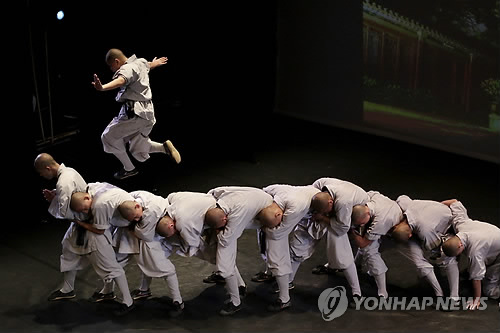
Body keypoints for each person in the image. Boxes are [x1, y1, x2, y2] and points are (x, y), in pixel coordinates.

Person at [92, 48, 181, 179]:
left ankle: (129, 169)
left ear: (117, 61)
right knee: (138, 151)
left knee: (107, 137)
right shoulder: (140, 62)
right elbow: (148, 65)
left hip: (135, 114)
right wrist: (155, 63)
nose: (112, 70)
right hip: (148, 115)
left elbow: (121, 80)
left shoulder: (126, 69)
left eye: (111, 66)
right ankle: (164, 148)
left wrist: (102, 87)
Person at [204, 186, 282, 316]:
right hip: (255, 200)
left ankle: (236, 302)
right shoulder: (220, 196)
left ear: (225, 219)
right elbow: (216, 190)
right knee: (221, 247)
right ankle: (240, 285)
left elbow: (227, 239)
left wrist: (219, 232)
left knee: (224, 259)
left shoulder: (236, 215)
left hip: (265, 210)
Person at [70, 182, 136, 316]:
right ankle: (108, 292)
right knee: (114, 263)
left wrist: (81, 222)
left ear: (87, 198)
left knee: (112, 267)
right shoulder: (93, 188)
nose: (85, 212)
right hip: (119, 224)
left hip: (128, 224)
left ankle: (128, 301)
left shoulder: (99, 205)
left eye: (84, 209)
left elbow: (99, 230)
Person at [34, 153, 93, 301]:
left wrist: (54, 201)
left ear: (48, 168)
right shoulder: (69, 172)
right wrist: (56, 196)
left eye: (41, 172)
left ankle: (111, 291)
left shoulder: (63, 181)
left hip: (86, 222)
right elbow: (72, 196)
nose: (41, 175)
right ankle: (68, 289)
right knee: (68, 248)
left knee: (103, 261)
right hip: (83, 221)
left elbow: (65, 212)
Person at [256, 184, 321, 311]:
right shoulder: (275, 191)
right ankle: (270, 274)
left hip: (316, 216)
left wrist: (269, 229)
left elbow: (280, 232)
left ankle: (286, 293)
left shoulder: (294, 208)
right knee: (267, 247)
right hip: (304, 204)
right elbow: (263, 192)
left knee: (296, 251)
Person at [307, 177, 369, 304]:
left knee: (341, 252)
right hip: (344, 207)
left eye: (326, 211)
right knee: (331, 243)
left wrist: (323, 218)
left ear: (331, 202)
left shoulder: (343, 203)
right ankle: (331, 266)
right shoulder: (320, 184)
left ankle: (357, 293)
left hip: (356, 212)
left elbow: (342, 228)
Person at [391, 195, 459, 308]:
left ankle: (454, 298)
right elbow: (402, 197)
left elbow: (433, 247)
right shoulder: (404, 205)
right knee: (419, 262)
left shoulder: (425, 230)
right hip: (428, 221)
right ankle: (439, 295)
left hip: (448, 225)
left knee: (447, 257)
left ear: (410, 235)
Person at [441, 199, 500, 310]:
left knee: (489, 290)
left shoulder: (475, 251)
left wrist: (476, 299)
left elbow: (477, 277)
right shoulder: (461, 224)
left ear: (459, 246)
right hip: (492, 244)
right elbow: (454, 202)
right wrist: (435, 207)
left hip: (498, 255)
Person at [350, 190, 404, 299]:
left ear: (368, 214)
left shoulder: (380, 221)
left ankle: (383, 292)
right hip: (389, 214)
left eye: (362, 223)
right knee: (366, 246)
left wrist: (351, 230)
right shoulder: (372, 196)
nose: (361, 225)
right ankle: (356, 264)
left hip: (393, 231)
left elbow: (363, 243)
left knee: (370, 252)